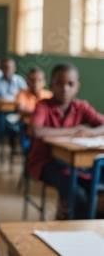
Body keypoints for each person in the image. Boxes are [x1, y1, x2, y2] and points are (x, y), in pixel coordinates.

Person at [28, 63, 104, 219]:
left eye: (70, 84)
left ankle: (85, 225)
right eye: (59, 83)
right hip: (45, 162)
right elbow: (34, 130)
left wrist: (90, 132)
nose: (65, 89)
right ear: (51, 86)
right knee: (76, 194)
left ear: (77, 86)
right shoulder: (43, 106)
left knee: (96, 190)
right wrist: (73, 131)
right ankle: (68, 228)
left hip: (76, 165)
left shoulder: (81, 107)